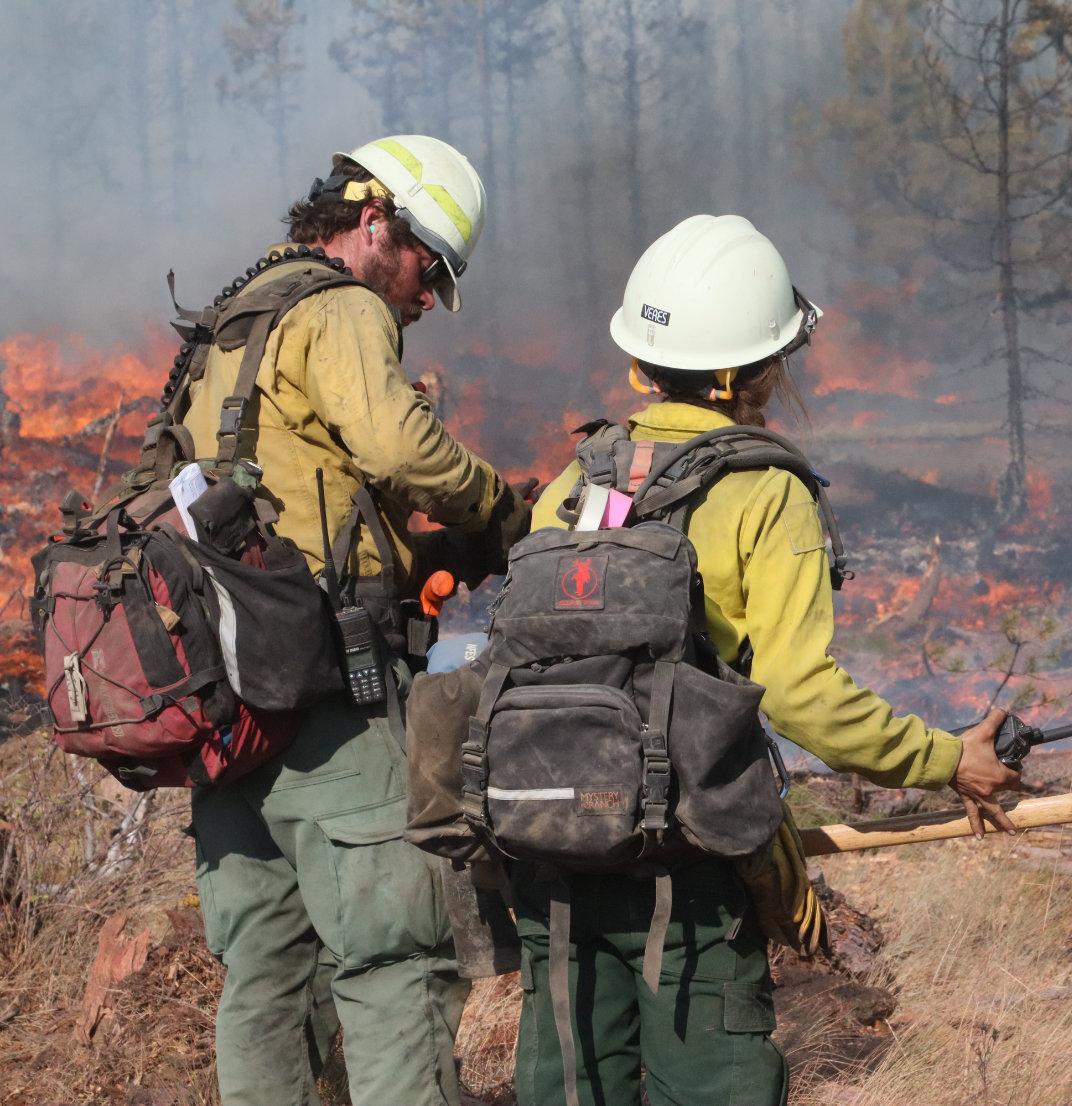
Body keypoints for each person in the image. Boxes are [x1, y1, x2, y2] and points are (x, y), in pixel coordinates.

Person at [508, 214, 1020, 1105]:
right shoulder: (764, 489)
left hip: (551, 851)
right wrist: (948, 760)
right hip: (687, 869)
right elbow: (800, 696)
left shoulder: (574, 480)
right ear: (753, 371)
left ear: (644, 361)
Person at [183, 135, 530, 1106]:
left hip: (227, 710)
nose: (427, 296)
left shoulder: (234, 320)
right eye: (431, 266)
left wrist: (414, 562)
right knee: (397, 968)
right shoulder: (339, 307)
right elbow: (396, 442)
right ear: (375, 222)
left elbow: (274, 516)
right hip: (332, 705)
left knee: (265, 981)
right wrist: (503, 510)